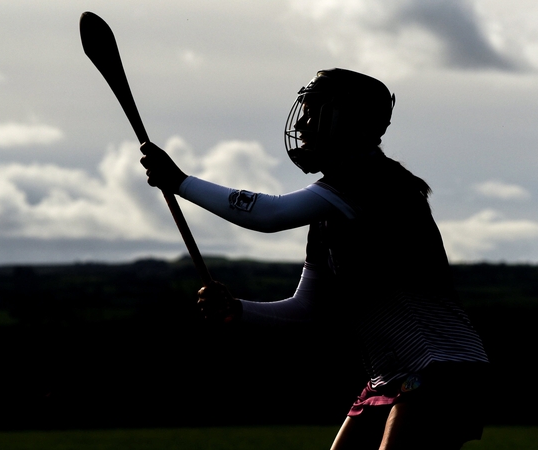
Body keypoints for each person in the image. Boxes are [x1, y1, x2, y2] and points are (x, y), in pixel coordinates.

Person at [140, 68, 489, 450]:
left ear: (351, 121)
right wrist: (236, 310)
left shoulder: (374, 180)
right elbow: (308, 310)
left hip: (442, 368)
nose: (302, 126)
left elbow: (268, 214)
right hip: (389, 380)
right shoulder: (328, 216)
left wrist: (180, 182)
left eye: (314, 114)